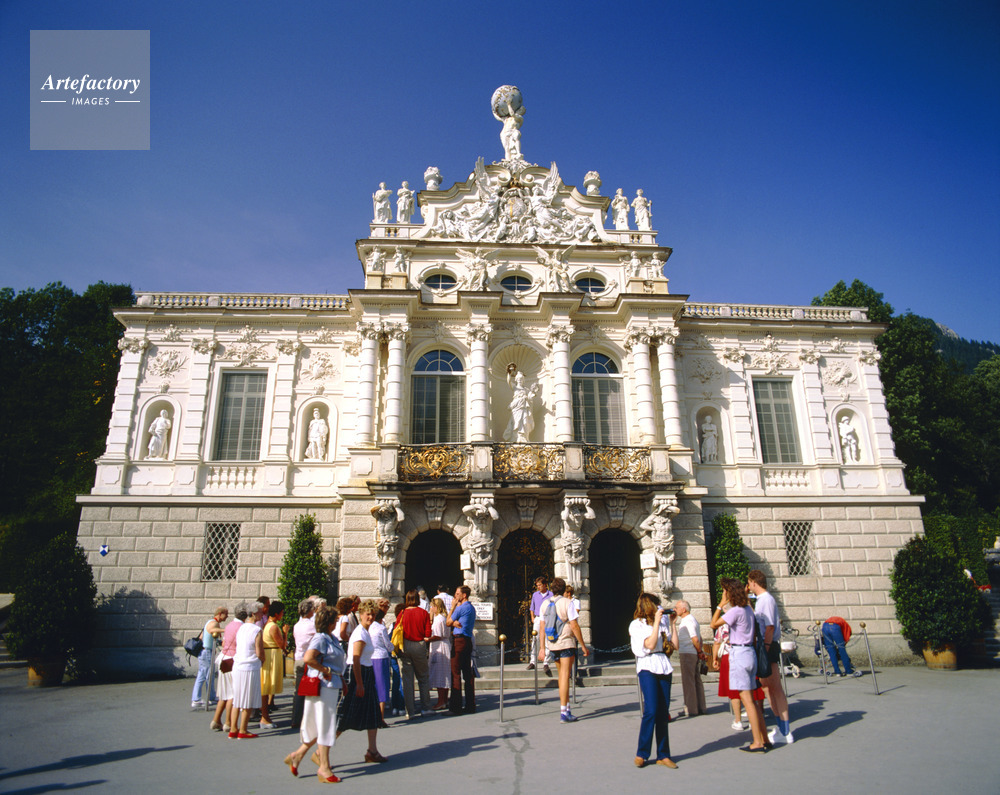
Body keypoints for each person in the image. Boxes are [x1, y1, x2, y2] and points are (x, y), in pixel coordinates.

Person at [283, 604, 347, 783]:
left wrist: (340, 679)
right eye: (335, 620)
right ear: (328, 622)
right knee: (326, 725)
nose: (336, 623)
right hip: (323, 685)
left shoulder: (330, 637)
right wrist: (325, 669)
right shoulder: (320, 638)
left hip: (331, 684)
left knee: (321, 725)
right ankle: (324, 767)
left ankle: (298, 755)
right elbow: (308, 658)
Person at [710, 579, 768, 752]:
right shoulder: (748, 609)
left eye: (724, 591)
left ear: (729, 593)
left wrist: (721, 605)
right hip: (750, 653)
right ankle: (764, 738)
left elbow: (714, 624)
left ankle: (757, 742)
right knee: (754, 700)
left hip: (740, 654)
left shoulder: (735, 611)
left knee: (747, 700)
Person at [629, 593, 679, 768]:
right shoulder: (636, 625)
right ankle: (642, 752)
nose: (660, 607)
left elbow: (674, 646)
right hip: (647, 665)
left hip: (663, 665)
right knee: (651, 709)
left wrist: (672, 623)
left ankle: (663, 754)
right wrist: (657, 622)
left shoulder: (663, 622)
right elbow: (649, 645)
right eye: (657, 604)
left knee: (663, 711)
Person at [336, 599, 388, 763]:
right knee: (345, 716)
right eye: (368, 614)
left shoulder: (365, 631)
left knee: (373, 714)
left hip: (366, 671)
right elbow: (355, 659)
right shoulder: (359, 633)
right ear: (361, 614)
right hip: (357, 674)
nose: (371, 617)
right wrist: (359, 683)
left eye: (373, 614)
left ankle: (372, 751)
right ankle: (320, 752)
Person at [747, 570, 793, 744]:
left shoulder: (765, 600)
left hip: (768, 645)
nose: (748, 586)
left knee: (774, 687)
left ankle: (785, 730)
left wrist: (764, 649)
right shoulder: (762, 600)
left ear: (753, 582)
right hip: (767, 645)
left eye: (749, 582)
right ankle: (781, 726)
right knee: (767, 687)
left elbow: (769, 627)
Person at [537, 577, 589, 722]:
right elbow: (574, 626)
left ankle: (565, 708)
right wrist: (583, 645)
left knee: (561, 676)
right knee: (565, 676)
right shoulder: (568, 603)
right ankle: (564, 711)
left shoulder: (545, 603)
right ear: (563, 589)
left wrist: (542, 648)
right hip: (566, 642)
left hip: (552, 644)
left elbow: (542, 628)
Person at [711, 613, 765, 732]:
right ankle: (754, 719)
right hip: (748, 653)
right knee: (751, 687)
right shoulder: (748, 621)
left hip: (730, 656)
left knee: (734, 690)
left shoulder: (724, 626)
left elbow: (716, 641)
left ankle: (738, 720)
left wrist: (715, 659)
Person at [231, 601, 265, 739]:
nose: (262, 614)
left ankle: (234, 728)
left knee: (237, 698)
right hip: (250, 666)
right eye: (260, 612)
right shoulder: (256, 630)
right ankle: (243, 730)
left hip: (238, 664)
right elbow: (259, 651)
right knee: (248, 698)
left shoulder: (242, 627)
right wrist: (263, 660)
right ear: (254, 613)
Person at [397, 589, 433, 719]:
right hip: (419, 645)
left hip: (405, 646)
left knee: (407, 680)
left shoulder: (402, 613)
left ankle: (410, 711)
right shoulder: (423, 613)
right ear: (417, 599)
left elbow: (397, 629)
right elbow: (428, 632)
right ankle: (426, 707)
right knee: (423, 677)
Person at [212, 602, 247, 732]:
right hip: (233, 660)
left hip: (223, 658)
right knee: (232, 693)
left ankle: (216, 719)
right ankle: (228, 722)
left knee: (223, 693)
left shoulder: (230, 625)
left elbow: (224, 642)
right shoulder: (242, 627)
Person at [447, 584, 477, 714]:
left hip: (458, 641)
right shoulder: (471, 608)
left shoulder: (460, 608)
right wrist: (455, 622)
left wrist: (453, 607)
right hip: (467, 640)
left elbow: (447, 622)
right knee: (467, 673)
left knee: (455, 673)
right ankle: (470, 705)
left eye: (457, 594)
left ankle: (456, 707)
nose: (455, 596)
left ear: (464, 595)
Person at [674, 600, 707, 718]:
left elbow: (695, 639)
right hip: (692, 652)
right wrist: (699, 651)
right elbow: (699, 638)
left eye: (677, 607)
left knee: (688, 682)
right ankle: (701, 706)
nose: (675, 608)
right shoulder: (692, 619)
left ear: (684, 609)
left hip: (688, 653)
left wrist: (699, 651)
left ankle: (691, 708)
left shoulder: (688, 621)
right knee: (696, 680)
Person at [191, 606, 227, 708]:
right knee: (209, 675)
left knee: (202, 675)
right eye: (226, 614)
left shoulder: (210, 621)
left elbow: (202, 636)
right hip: (207, 652)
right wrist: (225, 629)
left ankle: (197, 698)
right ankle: (208, 697)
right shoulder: (214, 623)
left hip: (204, 651)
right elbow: (211, 630)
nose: (227, 616)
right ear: (220, 614)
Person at [291, 598, 318, 731]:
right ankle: (309, 719)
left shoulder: (297, 625)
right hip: (309, 659)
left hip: (298, 658)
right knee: (311, 689)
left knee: (298, 691)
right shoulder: (311, 625)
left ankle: (296, 718)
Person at [369, 599, 393, 719]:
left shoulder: (368, 627)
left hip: (370, 657)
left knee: (373, 685)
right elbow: (388, 644)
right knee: (382, 686)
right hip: (381, 657)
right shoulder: (381, 628)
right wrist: (393, 647)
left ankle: (372, 713)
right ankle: (381, 716)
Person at [427, 597, 451, 710]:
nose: (431, 609)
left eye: (432, 606)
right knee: (443, 674)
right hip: (444, 645)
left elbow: (437, 635)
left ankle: (441, 701)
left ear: (436, 607)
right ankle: (444, 700)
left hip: (439, 646)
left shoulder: (439, 619)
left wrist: (427, 639)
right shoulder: (443, 617)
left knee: (439, 674)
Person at [504, 365, 538, 443]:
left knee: (524, 422)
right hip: (516, 408)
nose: (520, 380)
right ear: (516, 380)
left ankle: (523, 437)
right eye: (518, 379)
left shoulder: (526, 389)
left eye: (521, 379)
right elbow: (509, 381)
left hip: (524, 408)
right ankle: (515, 438)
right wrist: (510, 373)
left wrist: (533, 392)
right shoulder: (515, 387)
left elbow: (529, 399)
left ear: (523, 380)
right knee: (516, 422)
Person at [527, 576, 553, 675]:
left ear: (545, 585)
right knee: (535, 639)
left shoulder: (551, 594)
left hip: (548, 618)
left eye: (540, 585)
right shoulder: (535, 595)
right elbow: (531, 607)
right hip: (538, 618)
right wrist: (533, 618)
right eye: (537, 585)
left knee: (548, 640)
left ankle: (546, 662)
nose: (538, 587)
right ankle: (532, 661)